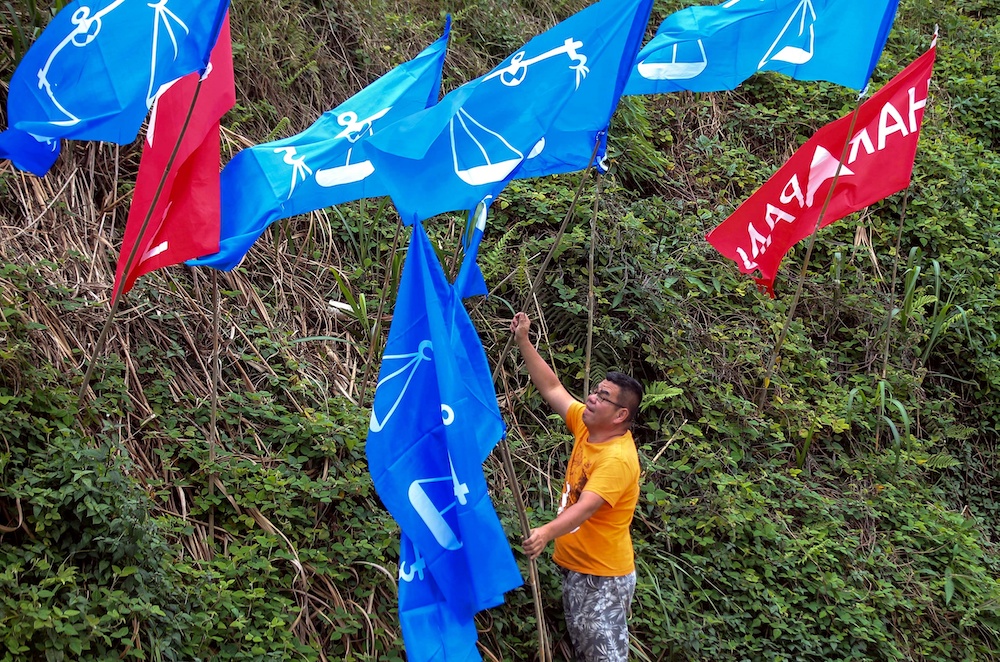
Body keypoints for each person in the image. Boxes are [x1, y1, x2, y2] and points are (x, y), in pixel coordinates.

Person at [510, 311, 644, 662]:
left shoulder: (617, 459)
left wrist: (544, 533)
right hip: (578, 568)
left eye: (604, 397)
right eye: (596, 390)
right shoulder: (588, 427)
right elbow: (553, 387)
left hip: (602, 577)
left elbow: (584, 508)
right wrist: (524, 340)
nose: (593, 398)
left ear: (620, 416)